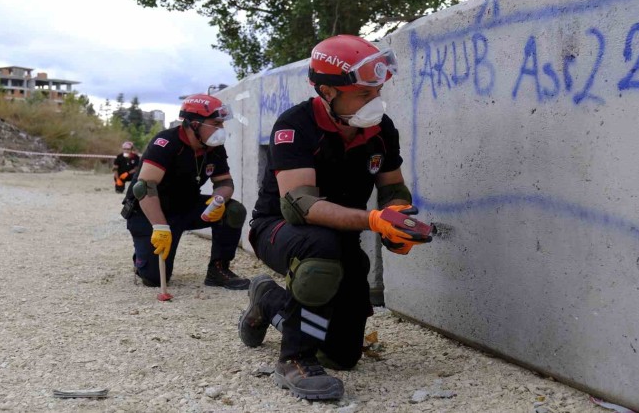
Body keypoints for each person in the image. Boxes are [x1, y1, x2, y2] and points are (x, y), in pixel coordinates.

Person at [238, 35, 432, 400]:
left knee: (342, 355)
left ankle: (268, 299)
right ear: (327, 92)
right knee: (321, 253)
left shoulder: (382, 129)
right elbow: (301, 206)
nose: (375, 101)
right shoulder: (294, 126)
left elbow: (393, 186)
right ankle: (294, 360)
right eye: (364, 94)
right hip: (279, 229)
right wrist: (375, 221)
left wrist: (399, 217)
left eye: (377, 92)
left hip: (339, 238)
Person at [121, 94, 250, 290]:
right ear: (194, 124)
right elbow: (144, 188)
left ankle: (218, 270)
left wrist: (219, 199)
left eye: (222, 124)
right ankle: (142, 258)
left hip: (185, 207)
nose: (221, 129)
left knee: (233, 210)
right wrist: (160, 227)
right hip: (150, 212)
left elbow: (225, 182)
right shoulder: (166, 142)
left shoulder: (214, 149)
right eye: (216, 123)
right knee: (155, 279)